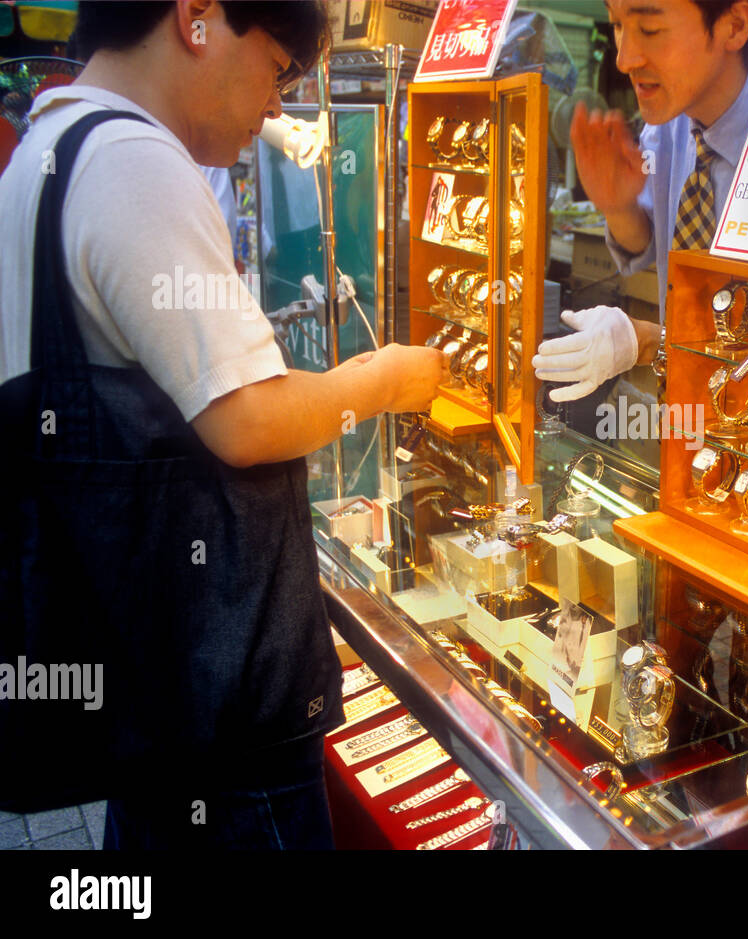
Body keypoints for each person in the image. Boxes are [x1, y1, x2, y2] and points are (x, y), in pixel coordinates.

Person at [0, 0, 444, 848]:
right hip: (215, 722)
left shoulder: (44, 155)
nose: (277, 107)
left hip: (146, 705)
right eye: (277, 68)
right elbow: (246, 420)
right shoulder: (132, 161)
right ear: (198, 17)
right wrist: (379, 380)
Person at [531, 0, 748, 404]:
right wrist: (618, 205)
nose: (624, 59)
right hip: (686, 408)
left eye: (650, 30)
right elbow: (646, 242)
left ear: (734, 25)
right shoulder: (667, 128)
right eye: (618, 26)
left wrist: (646, 340)